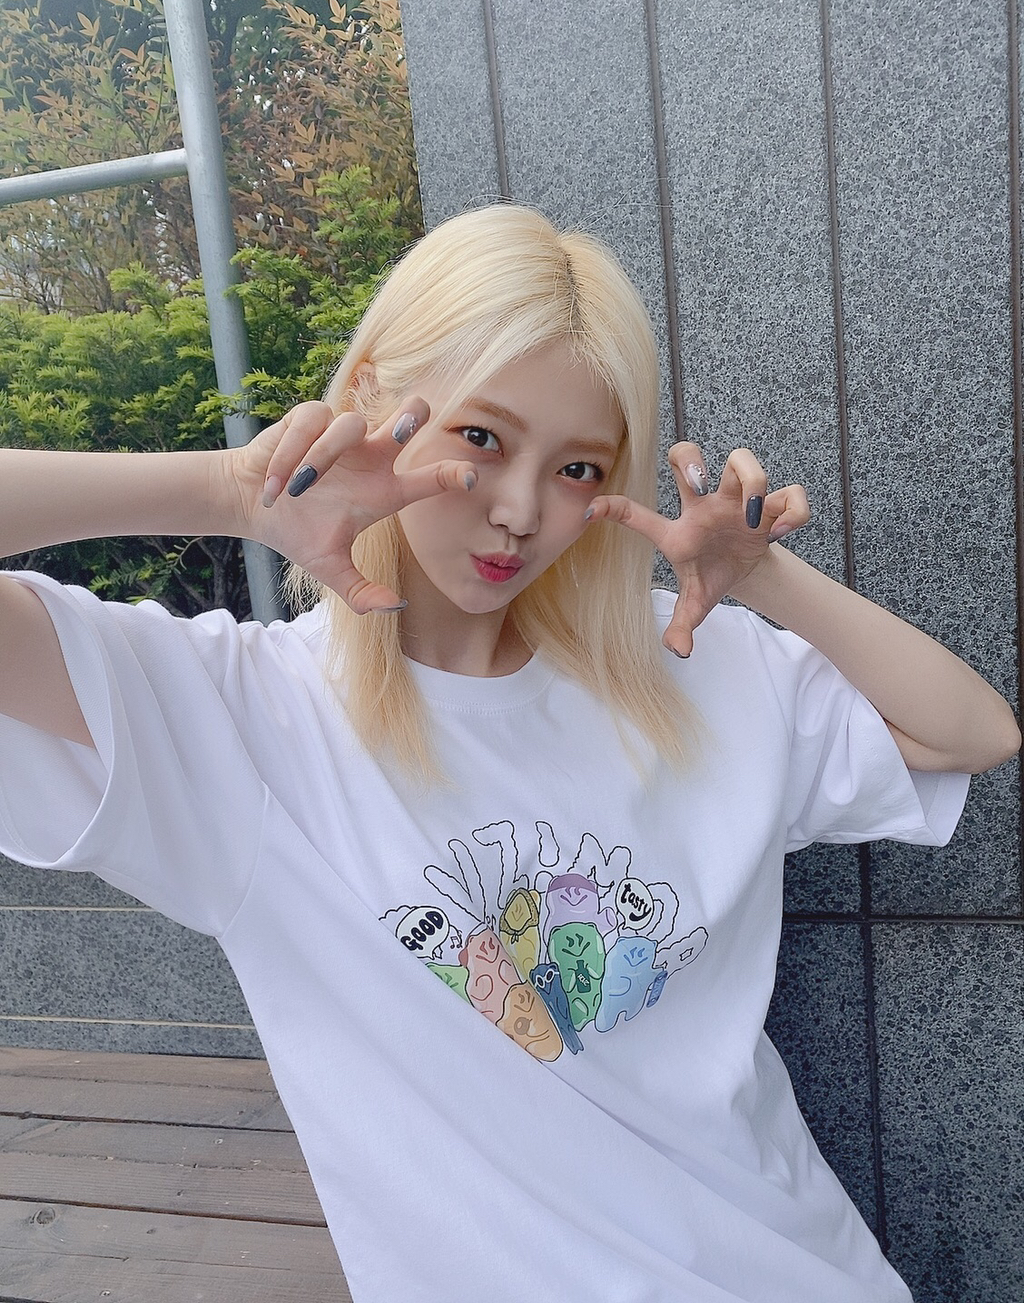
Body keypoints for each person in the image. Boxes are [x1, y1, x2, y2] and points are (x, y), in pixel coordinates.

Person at [0, 203, 1017, 1303]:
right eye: (481, 439)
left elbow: (973, 732)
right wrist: (231, 491)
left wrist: (765, 577)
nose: (522, 511)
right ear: (373, 400)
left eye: (578, 467)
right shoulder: (246, 718)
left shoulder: (683, 662)